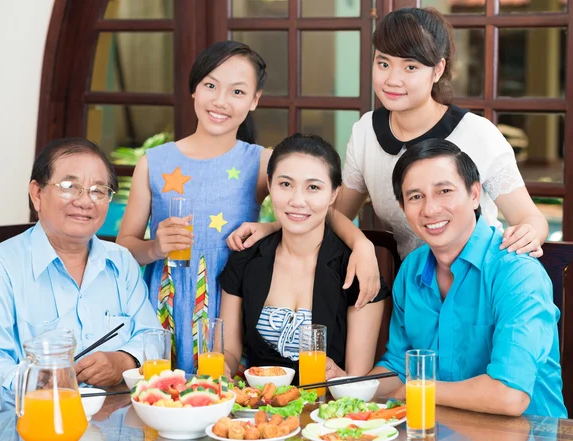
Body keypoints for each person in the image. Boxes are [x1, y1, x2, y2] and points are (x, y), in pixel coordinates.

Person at [116, 41, 381, 373]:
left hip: (235, 306)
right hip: (168, 304)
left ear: (254, 100)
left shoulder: (260, 162)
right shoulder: (154, 162)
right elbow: (124, 249)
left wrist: (362, 244)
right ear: (194, 90)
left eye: (238, 92)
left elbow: (312, 211)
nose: (221, 101)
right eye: (210, 85)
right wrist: (155, 247)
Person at [227, 7, 548, 262]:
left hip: (479, 284)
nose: (392, 79)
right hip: (412, 290)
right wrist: (274, 227)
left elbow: (531, 219)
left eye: (410, 67)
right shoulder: (366, 131)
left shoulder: (476, 134)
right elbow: (335, 215)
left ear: (437, 70)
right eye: (383, 63)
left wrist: (529, 234)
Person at [365, 138, 566, 418]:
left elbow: (510, 395)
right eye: (415, 197)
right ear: (402, 207)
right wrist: (348, 389)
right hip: (440, 428)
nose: (430, 209)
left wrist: (417, 390)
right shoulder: (412, 268)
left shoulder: (517, 272)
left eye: (444, 191)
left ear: (474, 194)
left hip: (529, 431)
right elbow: (400, 366)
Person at [0, 138, 161, 418]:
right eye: (70, 187)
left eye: (99, 190)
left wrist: (124, 360)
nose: (85, 201)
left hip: (115, 422)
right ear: (37, 194)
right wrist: (44, 381)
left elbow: (153, 337)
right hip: (31, 424)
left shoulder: (121, 261)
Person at [219, 134, 390, 380]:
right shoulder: (246, 258)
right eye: (285, 184)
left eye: (313, 187)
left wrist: (338, 375)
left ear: (333, 195)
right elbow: (228, 350)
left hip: (325, 409)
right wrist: (222, 368)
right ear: (269, 185)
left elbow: (356, 381)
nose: (297, 201)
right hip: (257, 408)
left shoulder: (357, 270)